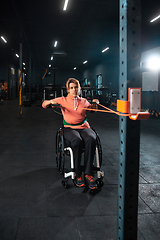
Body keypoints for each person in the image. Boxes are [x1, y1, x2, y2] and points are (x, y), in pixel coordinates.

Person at [42, 78, 99, 189]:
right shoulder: (62, 100)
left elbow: (93, 110)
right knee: (77, 140)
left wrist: (95, 104)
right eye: (71, 88)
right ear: (68, 90)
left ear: (79, 89)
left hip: (84, 127)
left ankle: (88, 174)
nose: (74, 90)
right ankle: (78, 175)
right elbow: (44, 104)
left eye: (76, 87)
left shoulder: (84, 101)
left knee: (91, 138)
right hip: (69, 128)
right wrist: (50, 102)